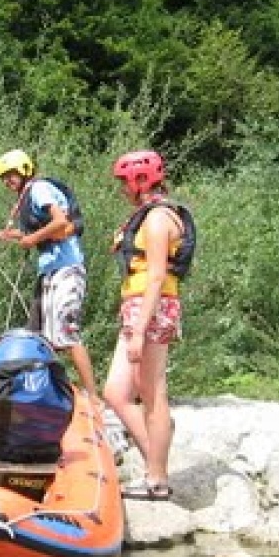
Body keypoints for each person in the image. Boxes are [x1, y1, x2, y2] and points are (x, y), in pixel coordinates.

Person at [103, 150, 196, 502]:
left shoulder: (158, 219)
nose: (121, 190)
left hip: (151, 309)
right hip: (139, 306)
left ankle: (156, 479)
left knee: (152, 394)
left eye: (123, 183)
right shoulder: (147, 217)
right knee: (115, 392)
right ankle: (156, 463)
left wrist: (140, 329)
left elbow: (157, 275)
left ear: (140, 181)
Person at [0, 148, 100, 402]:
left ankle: (94, 396)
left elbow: (58, 221)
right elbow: (31, 233)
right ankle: (49, 392)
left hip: (66, 269)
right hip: (50, 272)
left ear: (24, 170)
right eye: (4, 177)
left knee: (66, 334)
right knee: (43, 337)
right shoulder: (27, 196)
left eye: (11, 175)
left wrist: (32, 239)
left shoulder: (40, 188)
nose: (7, 181)